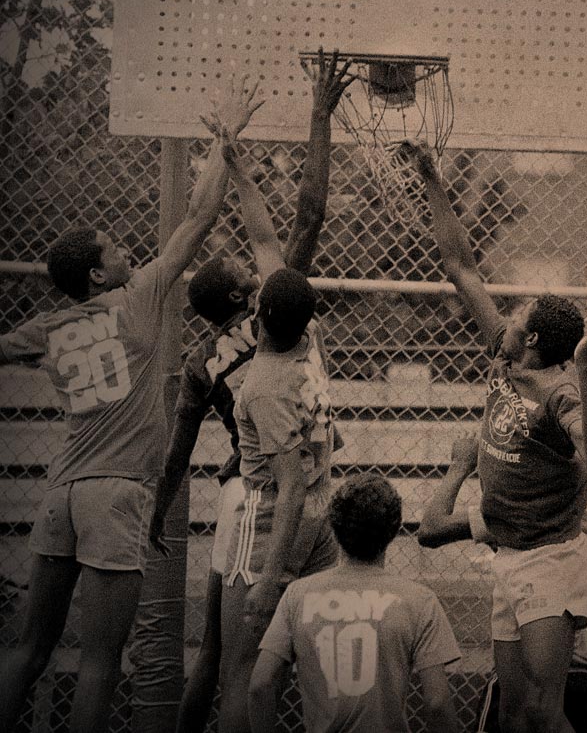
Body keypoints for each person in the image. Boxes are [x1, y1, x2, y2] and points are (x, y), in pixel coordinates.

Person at [0, 77, 263, 733]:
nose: (127, 252)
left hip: (60, 491)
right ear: (97, 274)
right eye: (114, 248)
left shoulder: (48, 328)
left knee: (30, 649)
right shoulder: (140, 295)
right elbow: (198, 219)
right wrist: (222, 142)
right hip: (114, 495)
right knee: (98, 662)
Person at [146, 50, 352, 733]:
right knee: (243, 655)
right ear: (247, 297)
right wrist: (239, 166)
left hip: (255, 496)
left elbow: (178, 452)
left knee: (221, 654)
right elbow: (272, 229)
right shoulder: (298, 326)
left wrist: (159, 508)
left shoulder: (204, 363)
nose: (247, 261)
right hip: (286, 492)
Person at [404, 141, 587, 733]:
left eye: (516, 322)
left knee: (546, 711)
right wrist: (431, 178)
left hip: (550, 556)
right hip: (507, 551)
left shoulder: (560, 392)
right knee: (516, 714)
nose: (506, 322)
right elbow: (460, 267)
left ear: (537, 344)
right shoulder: (504, 360)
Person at [214, 57, 354, 733]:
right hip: (324, 521)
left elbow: (290, 484)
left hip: (275, 524)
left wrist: (268, 577)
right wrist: (241, 168)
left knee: (242, 671)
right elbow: (277, 229)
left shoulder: (265, 383)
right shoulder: (309, 337)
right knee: (313, 666)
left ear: (258, 316)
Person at [418, 434, 587, 733]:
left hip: (545, 656)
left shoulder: (534, 514)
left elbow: (432, 528)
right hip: (564, 657)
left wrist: (461, 465)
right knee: (516, 717)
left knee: (534, 712)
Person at [248, 473, 461, 733]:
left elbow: (260, 685)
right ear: (394, 529)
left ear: (334, 527)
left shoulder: (298, 595)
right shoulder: (418, 599)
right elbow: (438, 703)